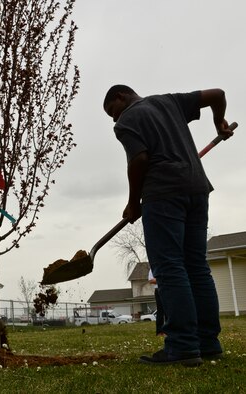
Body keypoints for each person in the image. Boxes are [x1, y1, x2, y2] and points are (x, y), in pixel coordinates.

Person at [103, 85, 234, 366]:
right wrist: (218, 121)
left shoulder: (128, 119)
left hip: (163, 195)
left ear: (121, 97)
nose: (115, 120)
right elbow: (218, 94)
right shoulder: (170, 102)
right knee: (197, 267)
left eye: (113, 112)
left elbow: (139, 158)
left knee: (170, 267)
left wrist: (133, 201)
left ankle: (183, 347)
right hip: (197, 189)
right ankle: (208, 343)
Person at [148, 268, 165, 336]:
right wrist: (162, 280)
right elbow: (151, 280)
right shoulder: (153, 268)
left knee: (169, 310)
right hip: (159, 289)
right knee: (160, 310)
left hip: (169, 288)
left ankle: (170, 330)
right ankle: (160, 331)